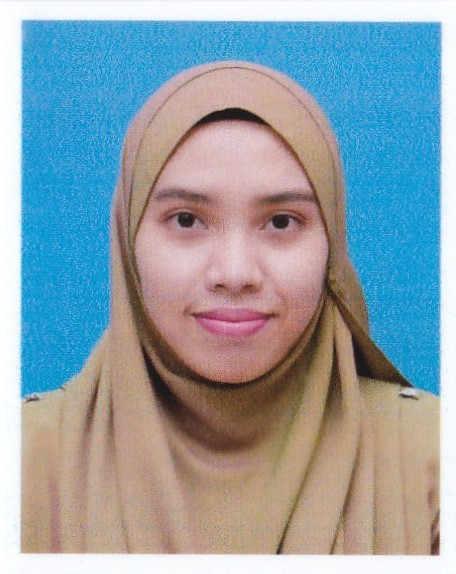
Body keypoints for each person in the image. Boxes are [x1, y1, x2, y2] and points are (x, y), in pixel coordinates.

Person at [21, 61, 439, 554]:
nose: (235, 273)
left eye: (281, 222)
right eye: (186, 220)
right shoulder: (25, 461)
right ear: (128, 240)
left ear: (331, 242)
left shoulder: (432, 462)